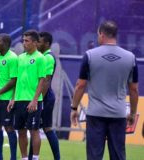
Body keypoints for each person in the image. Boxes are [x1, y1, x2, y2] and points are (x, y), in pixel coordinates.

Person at [70, 20, 138, 160]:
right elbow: (134, 90)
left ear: (101, 34)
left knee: (94, 156)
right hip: (118, 115)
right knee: (118, 156)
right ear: (115, 35)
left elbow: (80, 85)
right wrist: (132, 113)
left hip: (95, 115)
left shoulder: (89, 55)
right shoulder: (131, 58)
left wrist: (74, 108)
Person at [11, 30, 46, 160]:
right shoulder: (20, 58)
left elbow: (42, 80)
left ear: (35, 42)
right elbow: (17, 80)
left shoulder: (40, 58)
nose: (24, 43)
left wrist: (35, 100)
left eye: (27, 41)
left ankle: (35, 158)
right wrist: (13, 98)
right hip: (20, 100)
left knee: (34, 130)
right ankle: (24, 157)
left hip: (33, 100)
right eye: (23, 40)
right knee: (21, 131)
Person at [31, 32, 60, 160]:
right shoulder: (42, 56)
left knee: (46, 128)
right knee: (35, 128)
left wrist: (38, 100)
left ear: (47, 43)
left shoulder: (48, 57)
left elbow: (46, 81)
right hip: (42, 97)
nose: (37, 44)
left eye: (40, 41)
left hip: (45, 97)